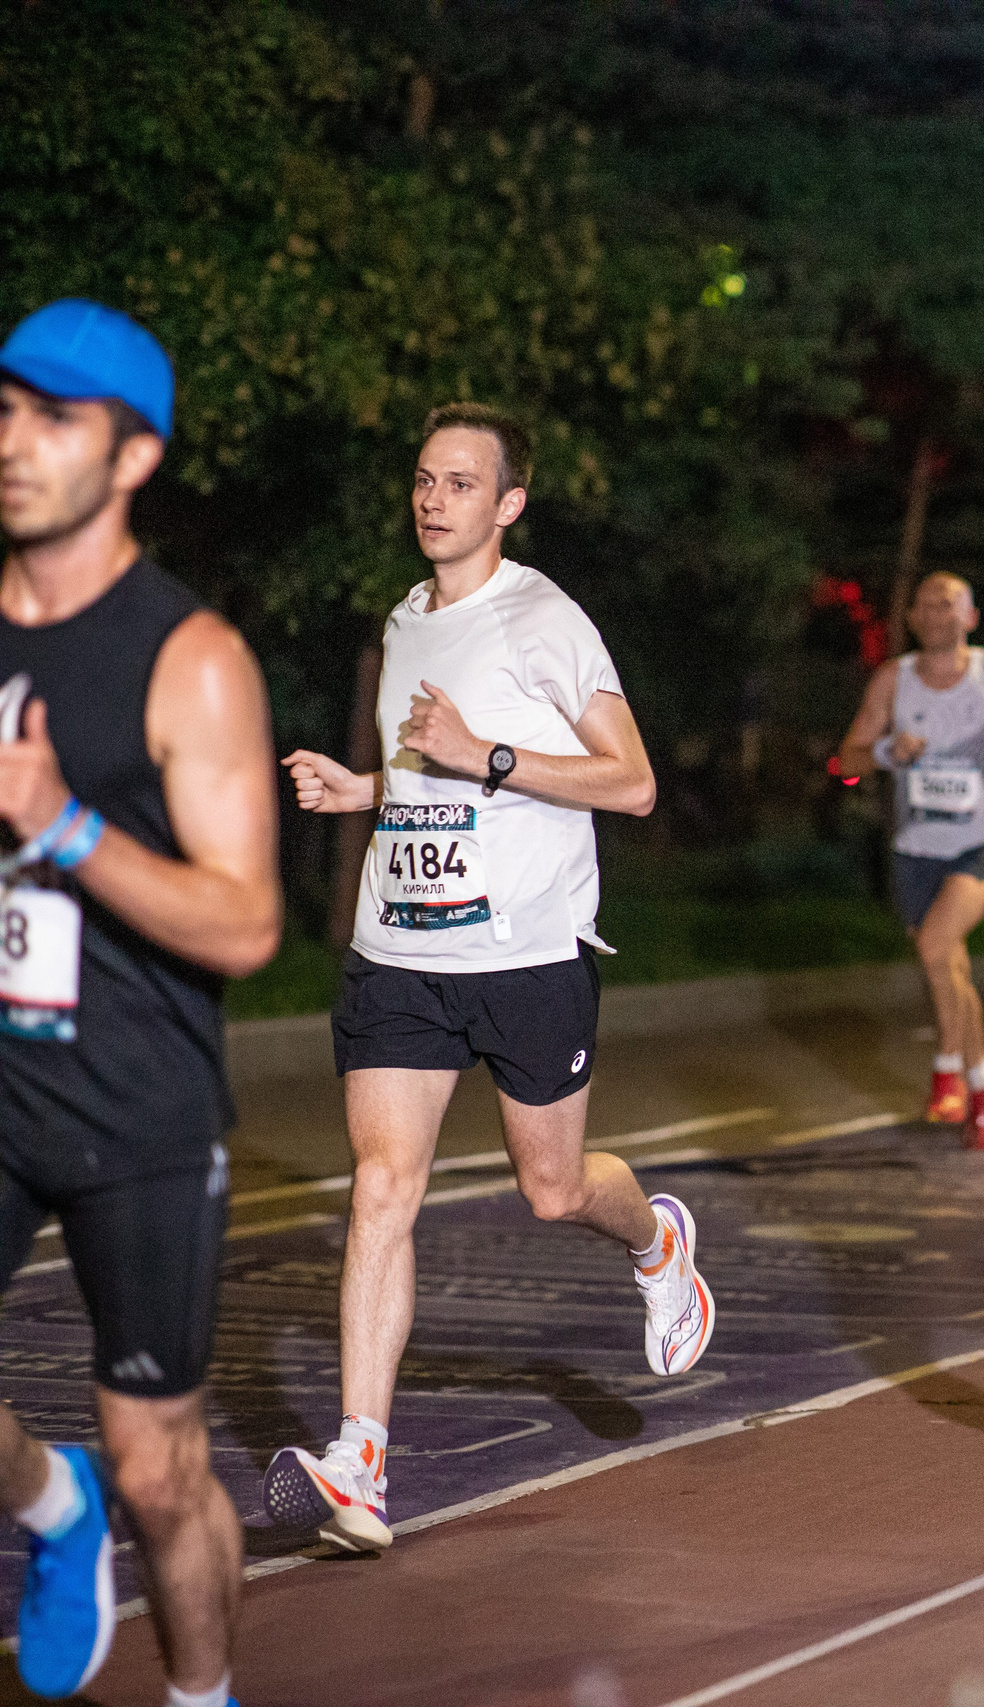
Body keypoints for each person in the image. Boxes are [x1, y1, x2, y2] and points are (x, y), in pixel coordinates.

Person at [266, 402, 711, 1555]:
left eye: (461, 483)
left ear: (508, 503)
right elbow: (429, 774)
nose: (433, 498)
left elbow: (633, 785)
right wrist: (363, 789)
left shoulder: (547, 619)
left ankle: (658, 1243)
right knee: (380, 1188)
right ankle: (361, 1460)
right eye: (423, 478)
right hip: (401, 953)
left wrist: (491, 754)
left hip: (524, 957)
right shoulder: (404, 618)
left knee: (553, 1191)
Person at [0, 300, 282, 1706]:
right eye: (5, 409)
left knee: (161, 1467)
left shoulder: (192, 659)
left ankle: (201, 1694)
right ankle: (52, 1507)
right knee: (94, 1475)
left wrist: (63, 829)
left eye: (54, 420)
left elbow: (246, 921)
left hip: (139, 1107)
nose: (13, 442)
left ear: (131, 458)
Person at [836, 571, 984, 1145]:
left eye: (948, 605)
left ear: (969, 617)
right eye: (924, 606)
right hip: (916, 849)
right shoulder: (894, 681)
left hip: (981, 837)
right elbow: (846, 760)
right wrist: (887, 752)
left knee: (937, 945)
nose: (935, 614)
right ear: (913, 618)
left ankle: (947, 1071)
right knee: (948, 964)